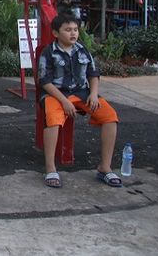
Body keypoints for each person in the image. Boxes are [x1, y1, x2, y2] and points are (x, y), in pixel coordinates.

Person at [38, 13, 121, 188]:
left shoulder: (83, 50)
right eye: (67, 30)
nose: (73, 33)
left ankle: (104, 167)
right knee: (52, 120)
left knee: (110, 117)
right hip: (56, 94)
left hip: (83, 93)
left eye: (75, 29)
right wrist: (64, 101)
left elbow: (93, 73)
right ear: (56, 33)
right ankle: (50, 168)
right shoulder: (49, 52)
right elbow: (44, 81)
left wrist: (94, 93)